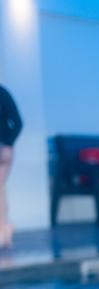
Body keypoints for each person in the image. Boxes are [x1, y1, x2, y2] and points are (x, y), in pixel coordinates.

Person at [0, 84, 23, 249]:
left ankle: (4, 230)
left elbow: (18, 122)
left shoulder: (2, 93)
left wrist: (7, 144)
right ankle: (5, 230)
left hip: (2, 149)